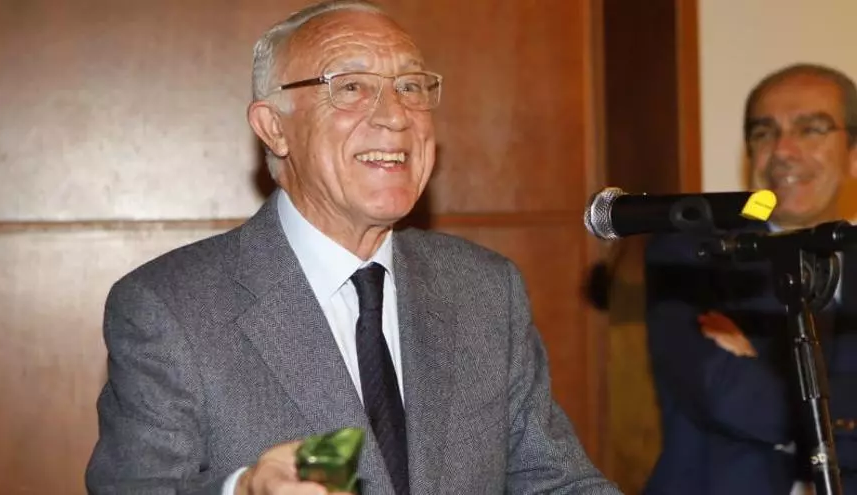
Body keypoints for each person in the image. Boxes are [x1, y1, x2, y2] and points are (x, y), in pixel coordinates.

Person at [85, 1, 622, 494]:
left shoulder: (483, 289)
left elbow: (555, 482)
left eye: (410, 86)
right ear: (274, 128)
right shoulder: (169, 308)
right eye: (350, 87)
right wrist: (241, 491)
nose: (395, 115)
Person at [643, 63, 857, 495]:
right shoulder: (693, 254)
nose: (783, 151)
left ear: (854, 153)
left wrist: (764, 377)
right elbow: (724, 394)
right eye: (763, 133)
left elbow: (764, 404)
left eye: (810, 129)